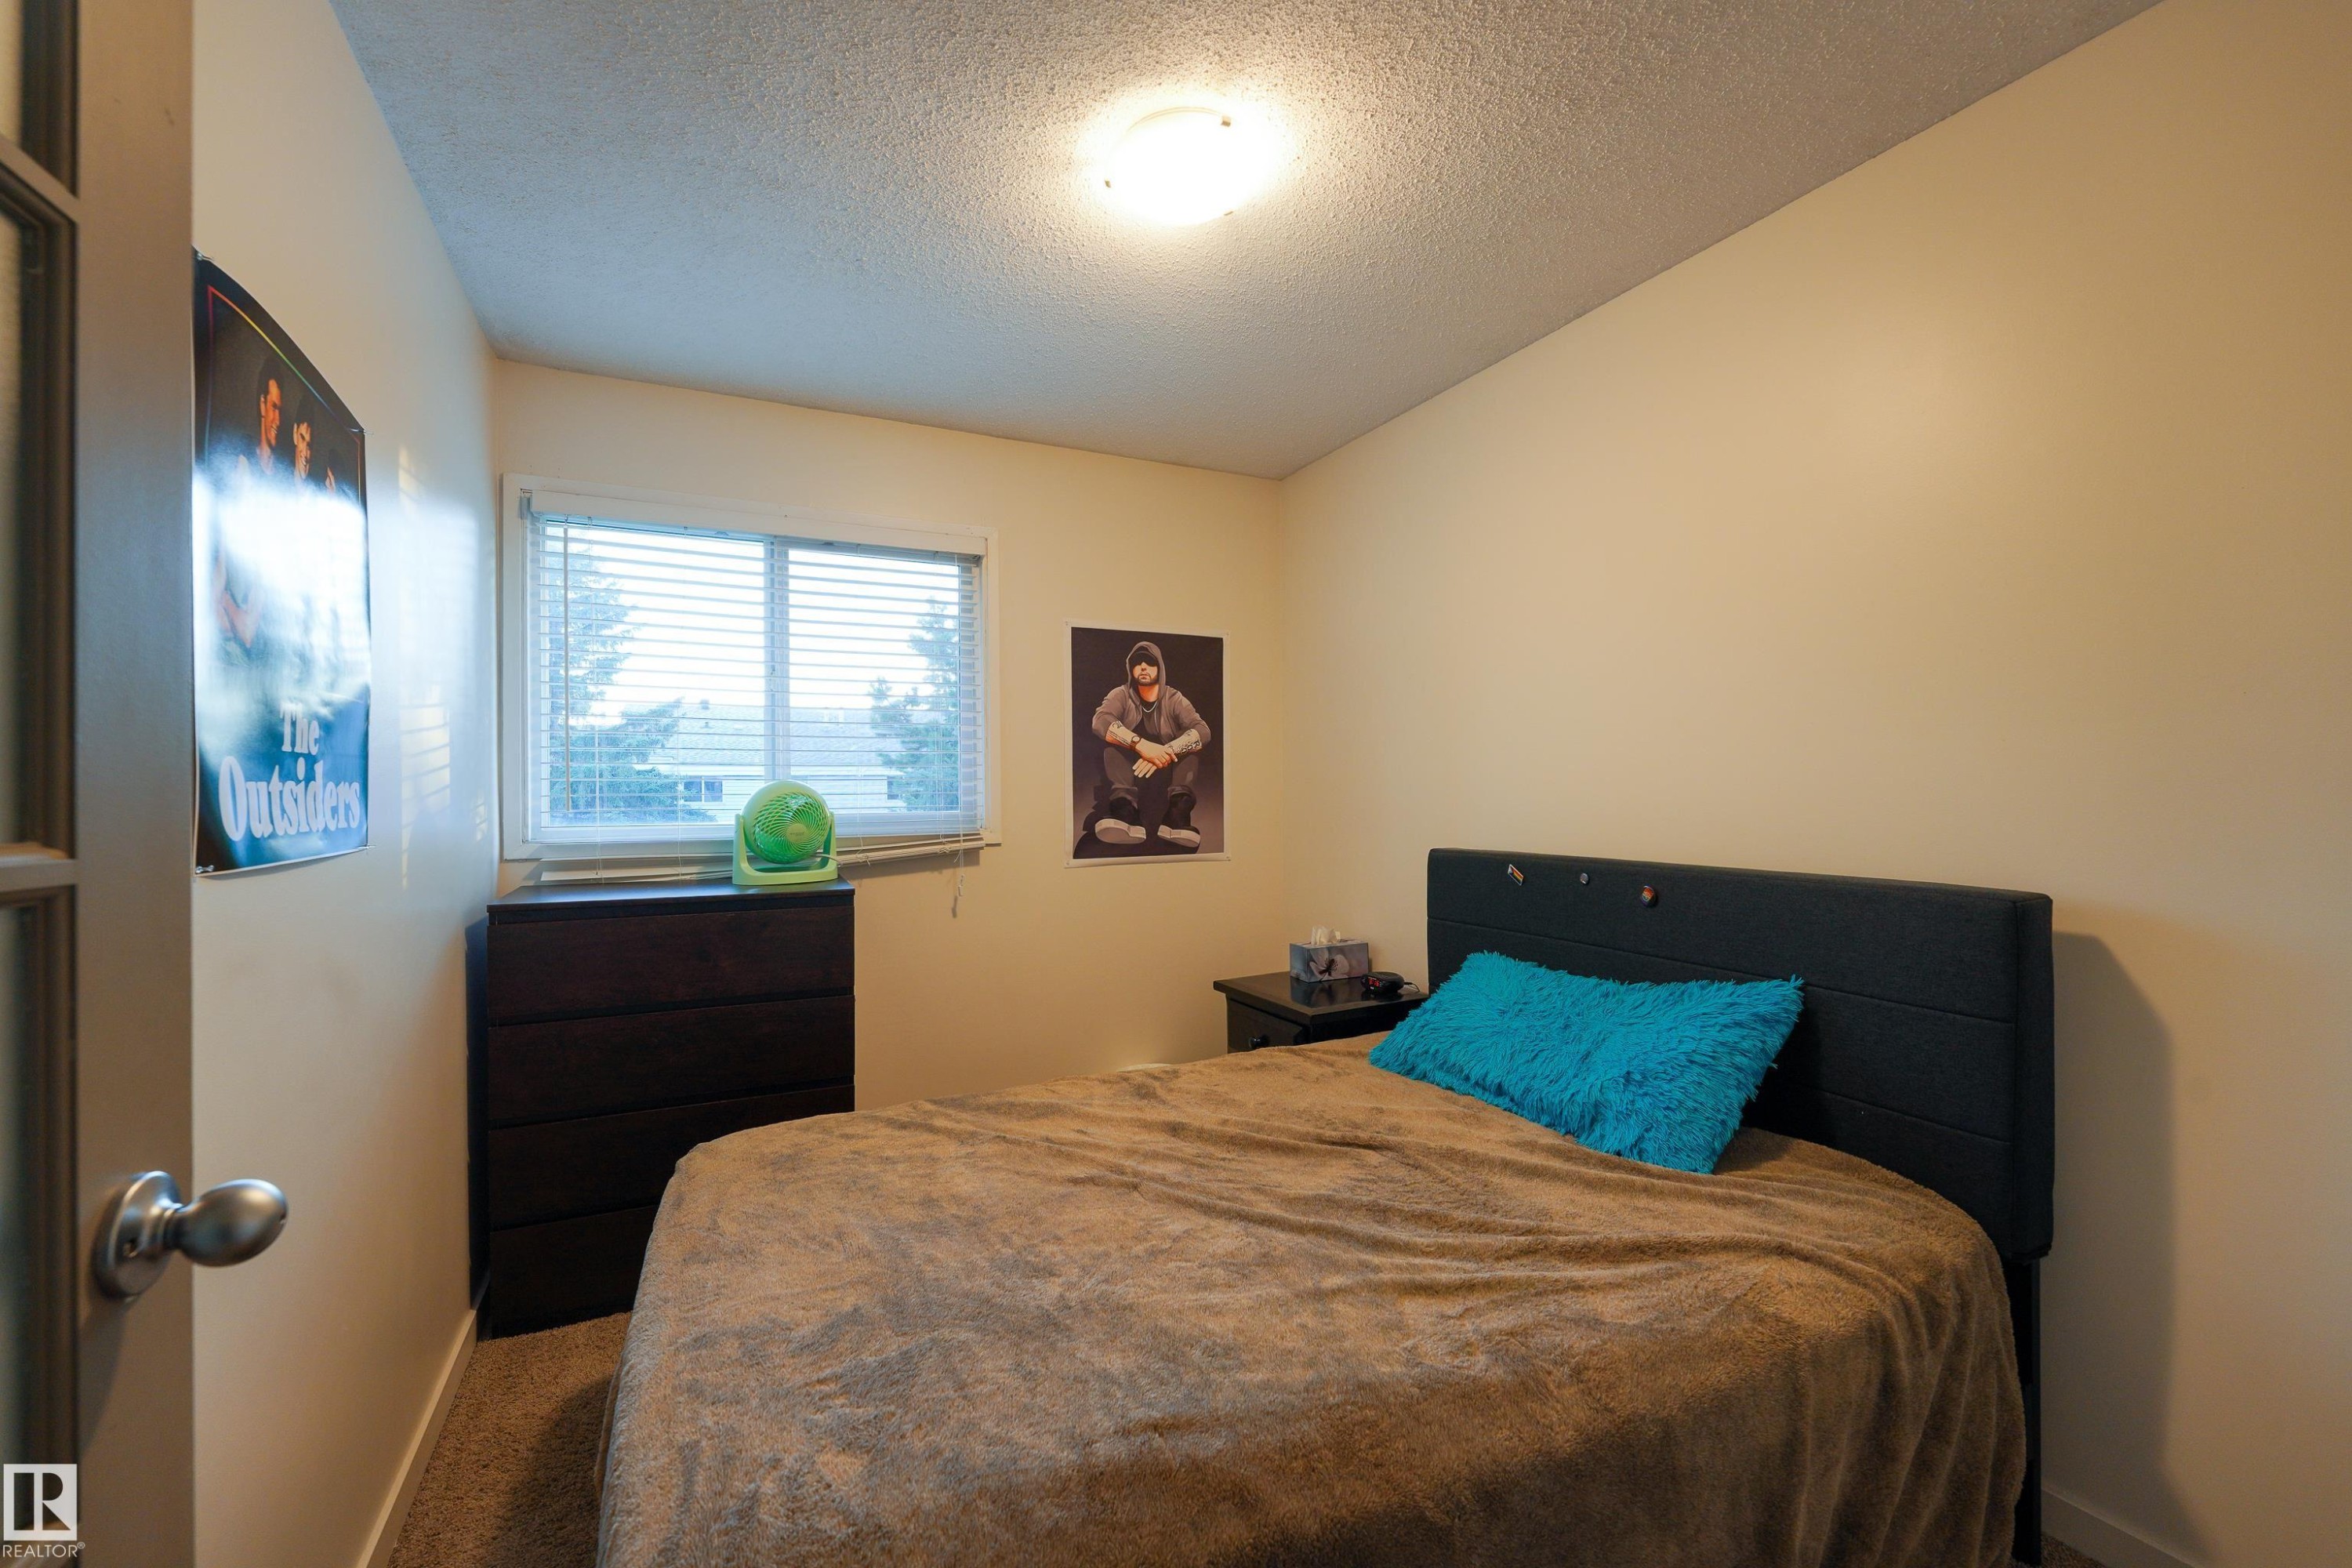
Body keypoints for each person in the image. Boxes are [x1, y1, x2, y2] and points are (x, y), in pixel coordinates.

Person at [1089, 639, 1210, 848]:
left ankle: (1178, 814)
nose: (1143, 667)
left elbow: (1203, 730)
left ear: (1160, 668)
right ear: (1130, 669)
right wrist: (1142, 746)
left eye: (1149, 662)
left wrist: (1166, 751)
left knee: (1190, 742)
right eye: (1137, 662)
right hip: (1130, 769)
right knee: (1112, 742)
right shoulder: (1121, 695)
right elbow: (1101, 721)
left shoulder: (1174, 698)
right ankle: (1124, 810)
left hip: (1168, 771)